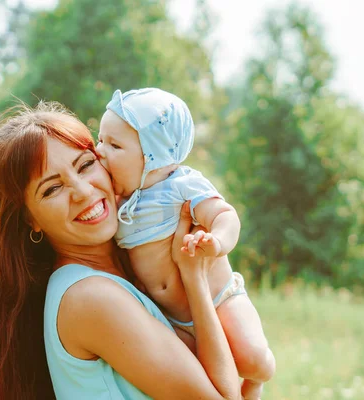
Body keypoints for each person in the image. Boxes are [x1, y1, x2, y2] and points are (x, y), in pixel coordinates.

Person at [0, 101, 241, 399]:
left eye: (86, 165)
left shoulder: (125, 273)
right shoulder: (90, 297)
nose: (83, 191)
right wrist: (194, 277)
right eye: (52, 189)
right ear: (30, 219)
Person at [96, 88, 275, 399]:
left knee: (254, 360)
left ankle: (255, 386)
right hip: (170, 316)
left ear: (154, 156)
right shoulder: (119, 201)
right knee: (203, 376)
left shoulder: (180, 186)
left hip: (219, 298)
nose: (100, 151)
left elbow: (225, 215)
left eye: (114, 145)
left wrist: (216, 241)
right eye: (100, 140)